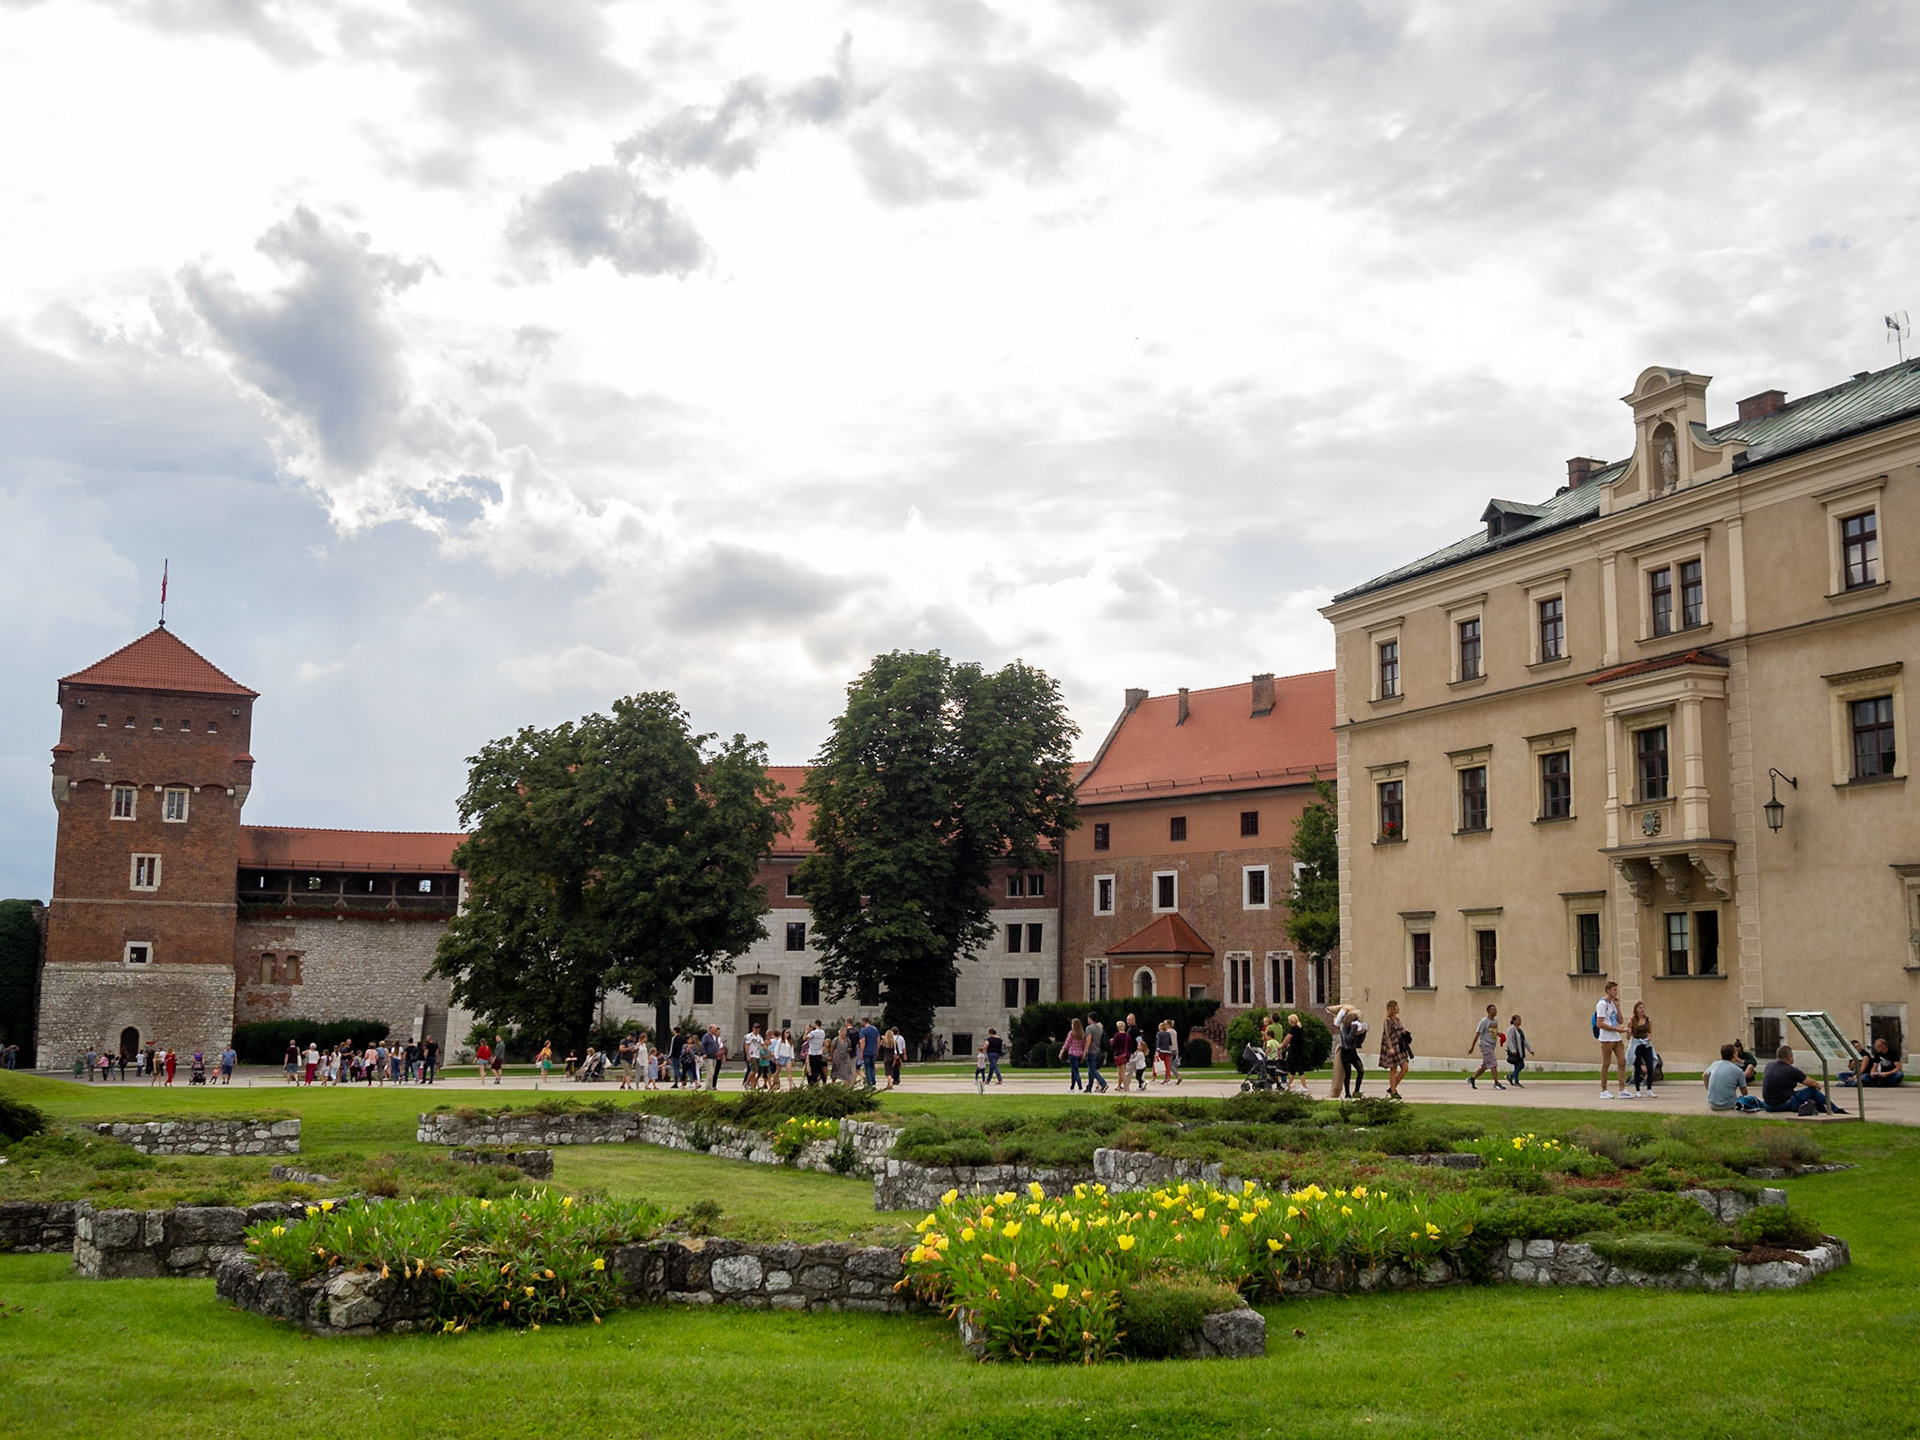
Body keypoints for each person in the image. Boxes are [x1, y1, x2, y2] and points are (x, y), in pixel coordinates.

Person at [1761, 1045, 1846, 1115]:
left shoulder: (1769, 1066)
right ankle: (1835, 1110)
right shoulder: (1791, 1070)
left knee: (1800, 1094)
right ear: (1789, 1057)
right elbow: (1812, 1083)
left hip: (1767, 1105)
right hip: (1783, 1104)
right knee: (1812, 1091)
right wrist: (1817, 1085)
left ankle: (1822, 1109)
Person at [1703, 1043, 1764, 1112]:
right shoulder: (1738, 1070)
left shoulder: (1715, 1064)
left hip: (1712, 1104)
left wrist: (1709, 1089)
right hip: (1728, 1105)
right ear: (1734, 1054)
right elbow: (1744, 1091)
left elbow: (1704, 1075)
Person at [1595, 981, 1628, 1098]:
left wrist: (1618, 1006)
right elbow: (1599, 1023)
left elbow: (1620, 1020)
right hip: (1606, 1039)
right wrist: (1615, 1029)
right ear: (1608, 990)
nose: (1616, 992)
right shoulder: (1602, 1004)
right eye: (1614, 990)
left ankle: (1622, 1088)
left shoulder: (1613, 1003)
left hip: (1616, 1038)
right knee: (1606, 1063)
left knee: (1622, 1061)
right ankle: (1603, 1090)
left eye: (1616, 990)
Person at [1466, 1003, 1504, 1090]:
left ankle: (1472, 1079)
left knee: (1485, 1066)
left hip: (1491, 1045)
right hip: (1485, 1044)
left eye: (1496, 1009)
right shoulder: (1483, 1021)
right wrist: (1472, 1047)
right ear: (1489, 1011)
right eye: (1494, 1009)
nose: (1496, 1011)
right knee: (1493, 1063)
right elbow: (1477, 1034)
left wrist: (1499, 1034)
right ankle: (1496, 1083)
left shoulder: (1495, 1022)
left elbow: (1492, 1032)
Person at [1379, 1000, 1410, 1100]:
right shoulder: (1387, 1020)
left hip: (1400, 1046)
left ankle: (1392, 1087)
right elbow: (1387, 1034)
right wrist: (1390, 1047)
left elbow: (1400, 1030)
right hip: (1392, 1046)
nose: (1398, 1008)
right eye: (1397, 1006)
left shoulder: (1398, 1019)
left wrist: (1404, 1031)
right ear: (1393, 1008)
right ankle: (1393, 1091)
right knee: (1393, 1069)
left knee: (1405, 1068)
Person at [1625, 1001, 1657, 1098]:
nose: (1642, 1010)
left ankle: (1649, 1089)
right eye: (1640, 1008)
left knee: (1650, 1067)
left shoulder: (1648, 1020)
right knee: (1638, 1067)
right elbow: (1628, 1037)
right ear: (1636, 1010)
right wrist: (1629, 1032)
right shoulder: (1632, 1021)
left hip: (1646, 1044)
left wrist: (1649, 1037)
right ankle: (1638, 1090)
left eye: (1643, 1008)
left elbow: (1650, 1032)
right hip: (1636, 1044)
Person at [1340, 1008, 1368, 1097]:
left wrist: (1364, 1031)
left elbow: (1360, 1041)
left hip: (1353, 1051)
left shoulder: (1354, 1028)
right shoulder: (1344, 1028)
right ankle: (1347, 1093)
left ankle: (1356, 1091)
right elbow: (1348, 1040)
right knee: (1348, 1073)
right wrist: (1353, 1029)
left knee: (1361, 1071)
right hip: (1345, 1051)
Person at [1060, 1017, 1087, 1092]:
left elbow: (1067, 1043)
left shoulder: (1071, 1033)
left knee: (1075, 1071)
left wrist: (1062, 1051)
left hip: (1072, 1053)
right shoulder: (1082, 1034)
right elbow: (1084, 1045)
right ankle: (1072, 1087)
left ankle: (1080, 1087)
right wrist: (1083, 1054)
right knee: (1073, 1071)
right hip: (1079, 1054)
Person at [1505, 1015, 1532, 1088]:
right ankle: (1516, 1081)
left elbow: (1524, 1041)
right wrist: (1513, 1050)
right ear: (1514, 1021)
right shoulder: (1510, 1030)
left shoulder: (1520, 1030)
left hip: (1520, 1051)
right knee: (1517, 1066)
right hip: (1515, 1051)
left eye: (1520, 1020)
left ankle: (1510, 1076)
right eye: (1518, 1020)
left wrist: (1530, 1050)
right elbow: (1509, 1041)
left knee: (1521, 1065)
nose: (1520, 1021)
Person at [1084, 1014, 1108, 1093]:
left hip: (1091, 1051)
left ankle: (1103, 1083)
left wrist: (1085, 1050)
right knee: (1091, 1070)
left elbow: (1089, 1039)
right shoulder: (1099, 1028)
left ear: (1090, 1018)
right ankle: (1089, 1087)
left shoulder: (1089, 1028)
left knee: (1092, 1070)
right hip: (1098, 1050)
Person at [859, 1018, 881, 1089]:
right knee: (872, 1066)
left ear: (864, 1022)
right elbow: (878, 1040)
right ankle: (873, 1080)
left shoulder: (863, 1030)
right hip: (873, 1051)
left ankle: (869, 1082)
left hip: (866, 1051)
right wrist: (877, 1049)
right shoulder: (875, 1029)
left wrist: (861, 1052)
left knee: (867, 1067)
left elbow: (863, 1041)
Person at [805, 1020, 827, 1086]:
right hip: (819, 1052)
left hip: (812, 1053)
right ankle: (824, 1081)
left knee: (814, 1069)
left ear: (816, 1024)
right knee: (820, 1068)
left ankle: (814, 1081)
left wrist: (807, 1031)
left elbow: (804, 1038)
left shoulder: (813, 1033)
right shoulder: (823, 1032)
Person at [1109, 1022, 1130, 1091]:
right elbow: (1130, 1046)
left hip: (1118, 1054)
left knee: (1122, 1072)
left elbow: (1114, 1045)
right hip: (1125, 1055)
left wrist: (1112, 1042)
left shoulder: (1117, 1035)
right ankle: (1119, 1086)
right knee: (1120, 1071)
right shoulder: (1127, 1036)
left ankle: (1126, 1086)